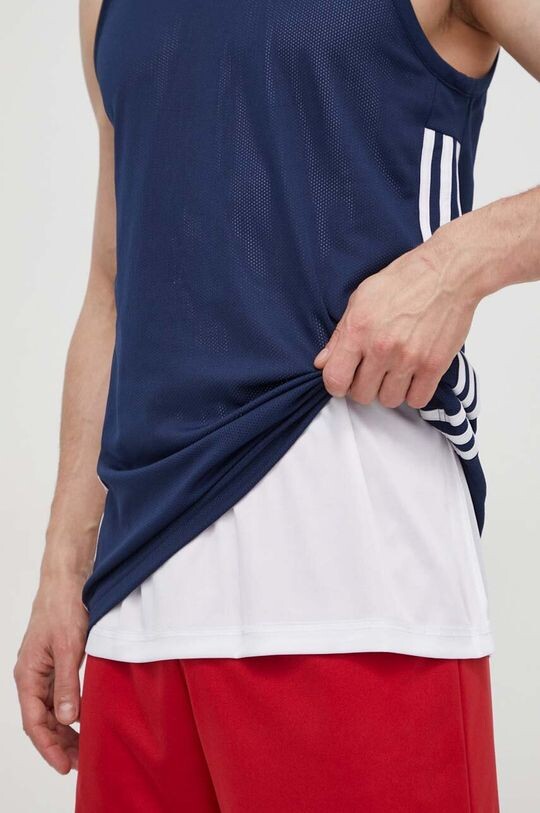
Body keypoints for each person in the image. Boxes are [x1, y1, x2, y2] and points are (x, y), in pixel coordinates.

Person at [13, 0, 540, 809]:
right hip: (137, 617)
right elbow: (115, 285)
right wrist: (62, 566)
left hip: (359, 602)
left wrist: (457, 265)